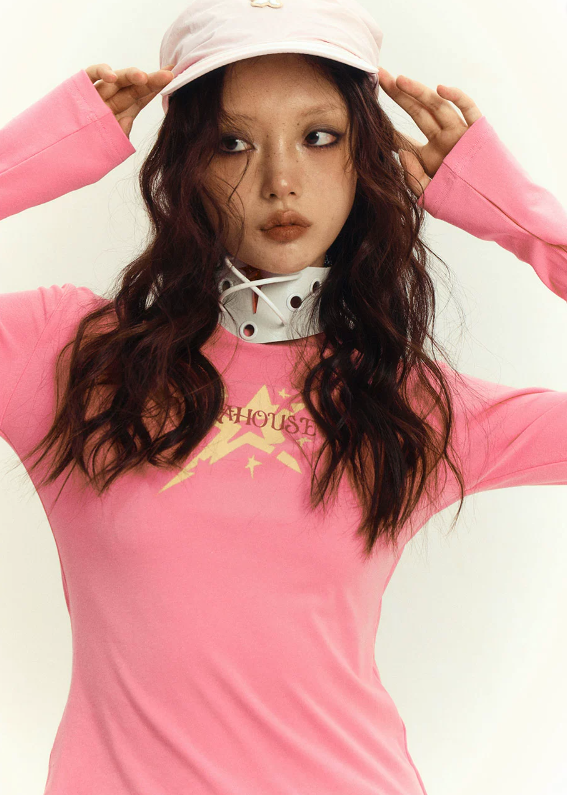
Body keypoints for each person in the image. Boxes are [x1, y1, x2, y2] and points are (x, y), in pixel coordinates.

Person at [1, 1, 566, 793]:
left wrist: (521, 218)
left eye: (318, 136)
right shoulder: (72, 359)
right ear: (187, 166)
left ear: (363, 159)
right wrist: (39, 151)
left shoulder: (411, 408)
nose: (280, 180)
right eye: (232, 143)